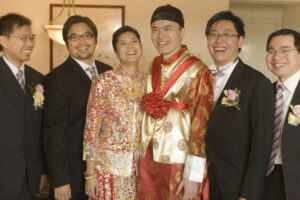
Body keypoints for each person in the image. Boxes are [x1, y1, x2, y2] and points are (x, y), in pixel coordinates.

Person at [137, 5, 213, 200]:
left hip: (178, 157)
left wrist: (193, 176)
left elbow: (201, 125)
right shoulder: (153, 64)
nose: (160, 35)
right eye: (155, 29)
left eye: (168, 28)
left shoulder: (198, 69)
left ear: (182, 32)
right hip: (147, 154)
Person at [204, 11, 274, 200]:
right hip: (199, 182)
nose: (219, 40)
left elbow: (261, 146)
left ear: (240, 41)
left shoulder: (257, 83)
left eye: (227, 34)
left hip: (234, 186)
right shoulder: (199, 77)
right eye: (213, 34)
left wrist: (248, 194)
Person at [43, 15, 112, 200]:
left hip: (107, 172)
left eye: (87, 35)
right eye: (75, 37)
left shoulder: (108, 72)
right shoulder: (56, 79)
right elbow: (54, 134)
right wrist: (59, 180)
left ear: (95, 39)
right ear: (66, 43)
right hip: (72, 178)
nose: (82, 42)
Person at [83, 25, 145, 200]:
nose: (130, 47)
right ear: (116, 52)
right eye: (123, 44)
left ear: (141, 46)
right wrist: (90, 175)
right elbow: (91, 131)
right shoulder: (103, 82)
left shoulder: (149, 82)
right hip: (109, 169)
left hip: (142, 170)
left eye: (134, 42)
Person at [0, 13, 47, 199]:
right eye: (23, 38)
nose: (30, 43)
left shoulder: (38, 79)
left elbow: (40, 129)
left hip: (31, 177)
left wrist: (42, 169)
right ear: (3, 40)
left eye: (31, 38)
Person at [264, 29, 300, 200]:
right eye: (271, 51)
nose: (277, 56)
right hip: (266, 179)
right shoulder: (264, 92)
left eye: (285, 50)